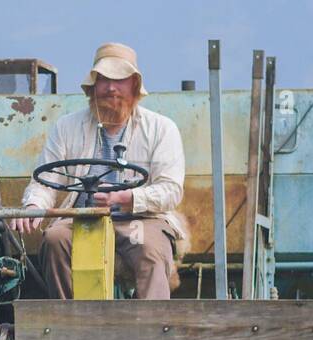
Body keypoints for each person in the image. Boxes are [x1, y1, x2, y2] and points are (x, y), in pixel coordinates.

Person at [11, 42, 187, 299]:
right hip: (83, 217)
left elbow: (171, 190)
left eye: (120, 79)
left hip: (141, 217)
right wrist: (32, 205)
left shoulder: (161, 128)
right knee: (55, 239)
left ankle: (152, 329)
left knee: (150, 248)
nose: (111, 87)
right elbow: (45, 180)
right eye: (103, 79)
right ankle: (73, 323)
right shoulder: (67, 127)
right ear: (92, 86)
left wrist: (126, 198)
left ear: (135, 86)